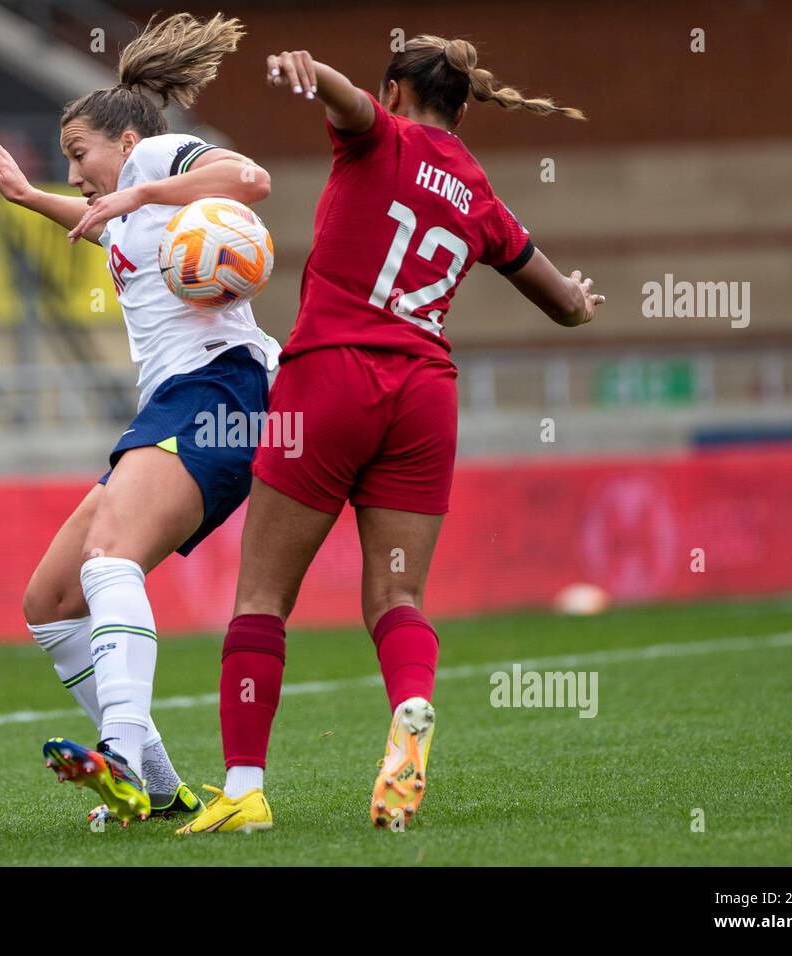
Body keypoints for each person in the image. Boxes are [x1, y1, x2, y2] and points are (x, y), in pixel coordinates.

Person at [177, 36, 601, 835]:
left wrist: (311, 71)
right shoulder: (481, 195)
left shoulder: (382, 135)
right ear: (463, 107)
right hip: (423, 398)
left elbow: (345, 103)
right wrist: (580, 295)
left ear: (397, 91)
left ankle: (243, 791)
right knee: (397, 596)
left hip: (331, 377)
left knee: (263, 597)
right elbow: (563, 304)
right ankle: (410, 706)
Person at [0, 12, 280, 825]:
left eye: (79, 154)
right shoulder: (129, 208)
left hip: (219, 392)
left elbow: (252, 181)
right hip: (173, 406)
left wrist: (141, 187)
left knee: (110, 558)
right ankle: (154, 782)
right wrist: (26, 196)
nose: (75, 172)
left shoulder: (154, 159)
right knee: (49, 601)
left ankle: (115, 749)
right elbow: (102, 227)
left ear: (121, 140)